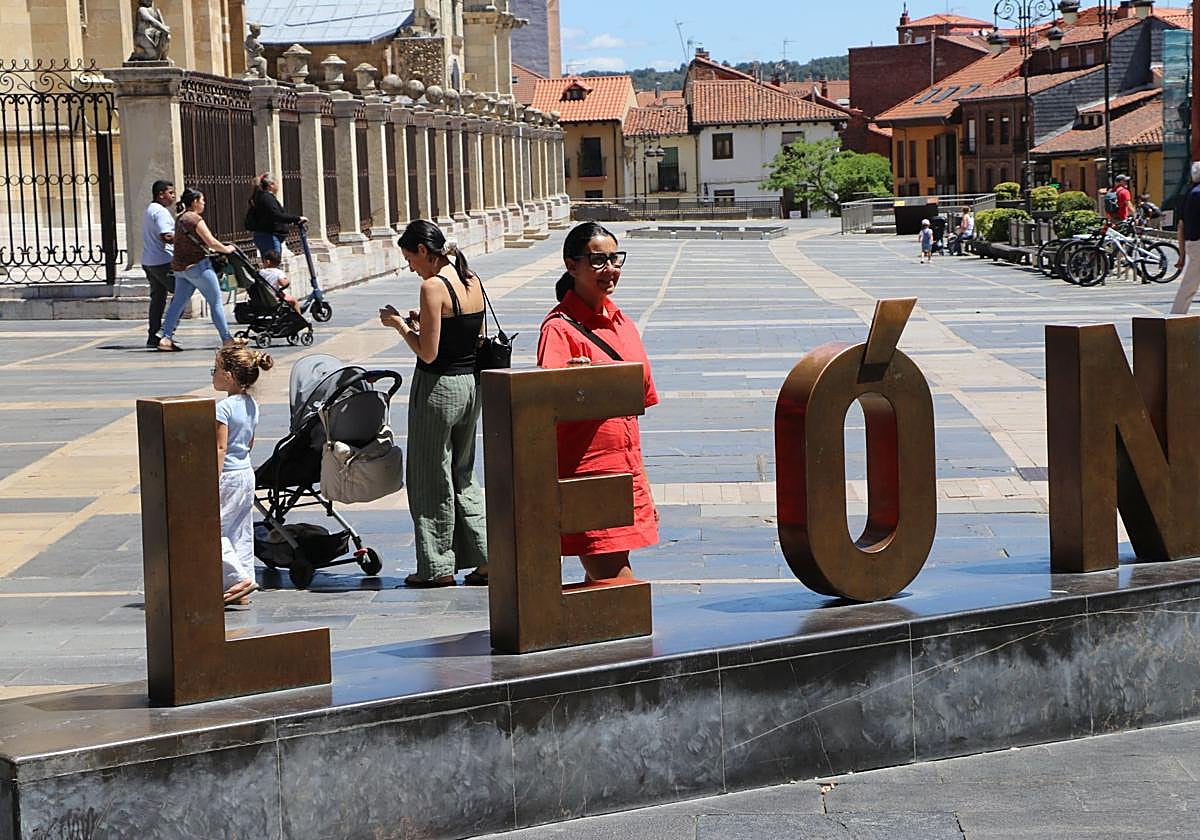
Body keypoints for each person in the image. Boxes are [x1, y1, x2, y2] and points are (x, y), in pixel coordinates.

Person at [537, 222, 659, 581]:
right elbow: (544, 405)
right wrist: (572, 383)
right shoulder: (559, 329)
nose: (610, 269)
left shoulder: (623, 324)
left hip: (626, 468)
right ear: (571, 266)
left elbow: (635, 407)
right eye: (598, 260)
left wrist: (643, 481)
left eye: (614, 259)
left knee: (605, 588)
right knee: (616, 584)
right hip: (588, 475)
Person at [378, 220, 488, 588]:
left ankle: (437, 564)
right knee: (463, 473)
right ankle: (485, 556)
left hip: (438, 389)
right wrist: (422, 320)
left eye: (410, 259)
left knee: (429, 475)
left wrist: (399, 325)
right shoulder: (471, 279)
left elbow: (428, 352)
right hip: (470, 386)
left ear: (424, 251)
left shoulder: (432, 286)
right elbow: (473, 336)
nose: (411, 267)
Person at [212, 339, 274, 606]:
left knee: (211, 529)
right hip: (246, 473)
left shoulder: (223, 408)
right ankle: (243, 585)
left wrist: (212, 479)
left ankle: (238, 579)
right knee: (240, 530)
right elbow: (249, 443)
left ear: (228, 376)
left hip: (226, 475)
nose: (213, 375)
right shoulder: (252, 404)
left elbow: (220, 447)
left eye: (215, 370)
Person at [157, 188, 236, 351]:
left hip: (181, 268)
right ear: (194, 202)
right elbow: (211, 241)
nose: (204, 203)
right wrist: (227, 249)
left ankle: (166, 337)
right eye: (202, 200)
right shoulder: (195, 219)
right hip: (198, 267)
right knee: (215, 302)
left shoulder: (180, 218)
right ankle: (227, 338)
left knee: (178, 303)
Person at [141, 179, 176, 348]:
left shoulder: (149, 210)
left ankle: (153, 335)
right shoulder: (161, 212)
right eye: (171, 193)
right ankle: (165, 332)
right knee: (182, 294)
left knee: (158, 299)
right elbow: (166, 235)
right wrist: (186, 239)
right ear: (161, 194)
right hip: (163, 262)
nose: (173, 196)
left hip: (149, 261)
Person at [245, 174, 305, 258]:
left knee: (270, 261)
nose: (278, 186)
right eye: (277, 183)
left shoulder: (264, 197)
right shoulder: (266, 198)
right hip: (269, 236)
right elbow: (276, 215)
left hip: (267, 236)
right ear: (271, 185)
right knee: (273, 262)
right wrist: (297, 218)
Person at [1170, 162, 1200, 314]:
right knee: (1190, 284)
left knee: (1190, 283)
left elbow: (1180, 226)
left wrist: (1182, 255)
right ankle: (1176, 315)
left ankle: (1176, 315)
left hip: (1192, 244)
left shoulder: (1187, 194)